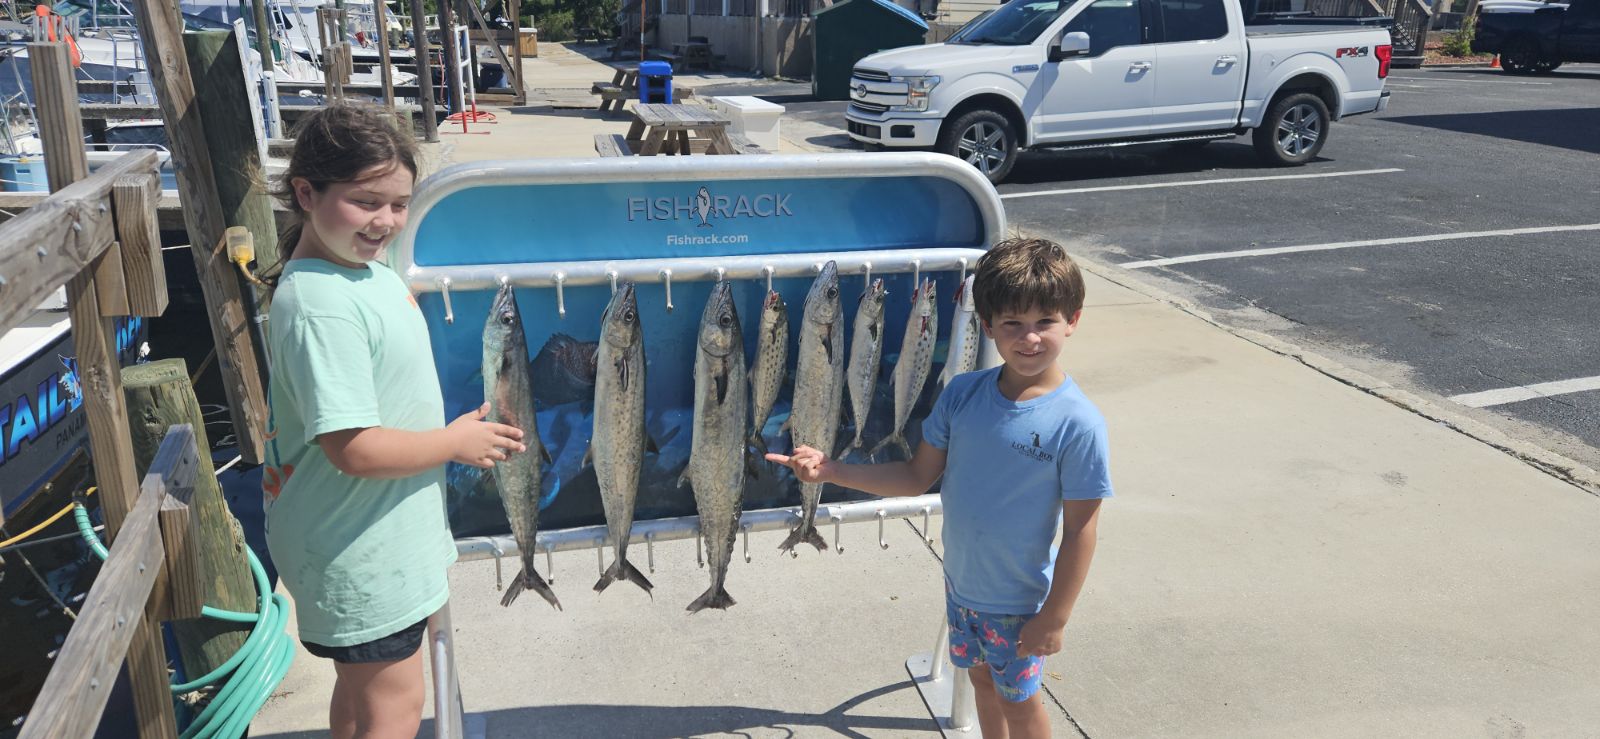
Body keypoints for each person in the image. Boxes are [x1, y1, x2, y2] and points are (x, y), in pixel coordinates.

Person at [767, 238, 1112, 739]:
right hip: (962, 590)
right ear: (987, 326)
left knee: (1021, 704)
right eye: (1012, 323)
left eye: (1045, 322)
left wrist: (1055, 617)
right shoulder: (962, 394)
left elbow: (1082, 529)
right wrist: (831, 471)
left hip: (1019, 604)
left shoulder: (1078, 423)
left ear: (1072, 320)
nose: (1029, 338)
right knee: (981, 685)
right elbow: (913, 476)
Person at [261, 102, 526, 739]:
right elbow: (353, 448)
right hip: (360, 552)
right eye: (365, 202)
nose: (385, 221)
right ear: (306, 192)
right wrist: (453, 442)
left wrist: (444, 433)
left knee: (359, 700)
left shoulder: (358, 271)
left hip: (379, 537)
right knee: (397, 707)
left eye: (399, 204)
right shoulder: (321, 304)